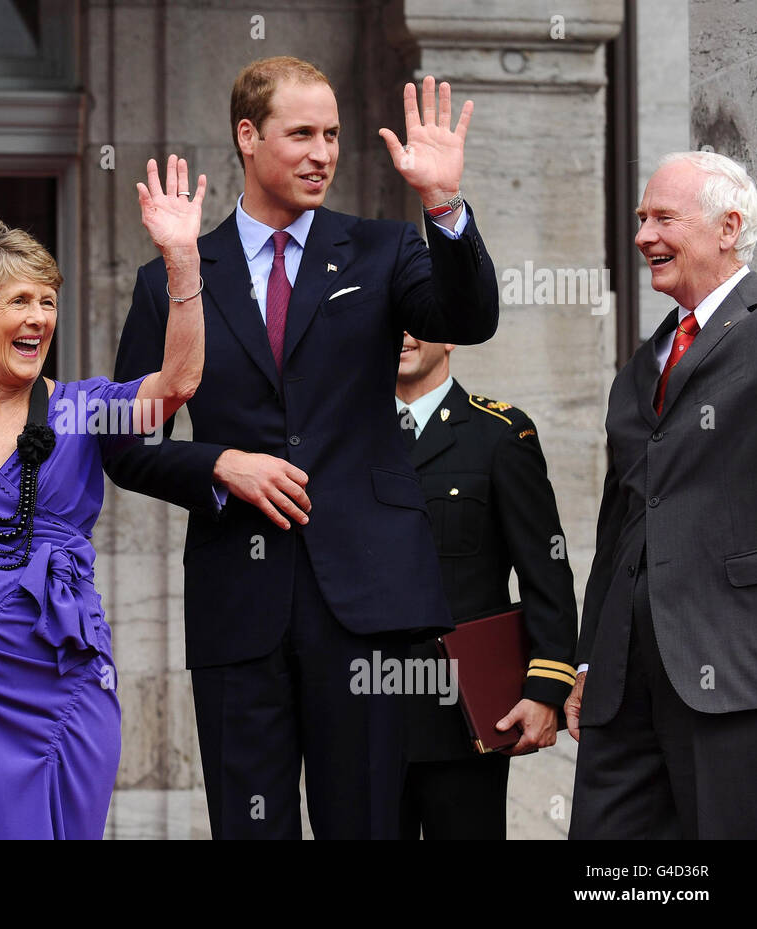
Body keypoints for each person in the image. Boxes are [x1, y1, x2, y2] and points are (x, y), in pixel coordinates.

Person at [105, 56, 500, 839]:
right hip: (237, 605)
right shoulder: (173, 277)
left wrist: (444, 204)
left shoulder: (384, 250)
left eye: (332, 136)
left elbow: (470, 314)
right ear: (248, 137)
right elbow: (124, 437)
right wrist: (217, 463)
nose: (322, 152)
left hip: (366, 600)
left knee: (366, 824)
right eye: (302, 134)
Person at [0, 156, 207, 839]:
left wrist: (182, 264)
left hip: (63, 680)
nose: (38, 318)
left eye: (47, 301)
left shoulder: (85, 408)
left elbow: (176, 385)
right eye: (19, 300)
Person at [567, 151, 757, 839]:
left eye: (663, 218)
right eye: (641, 218)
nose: (644, 235)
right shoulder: (643, 364)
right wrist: (588, 655)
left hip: (730, 670)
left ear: (727, 226)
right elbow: (619, 518)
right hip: (623, 681)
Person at [394, 332, 577, 840]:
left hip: (464, 720)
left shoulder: (500, 432)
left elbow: (547, 570)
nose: (404, 335)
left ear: (451, 335)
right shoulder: (347, 435)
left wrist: (545, 689)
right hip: (361, 715)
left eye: (419, 321)